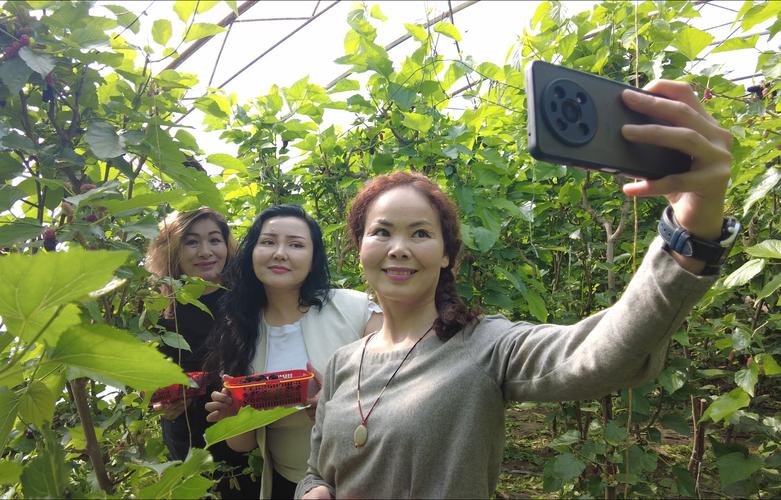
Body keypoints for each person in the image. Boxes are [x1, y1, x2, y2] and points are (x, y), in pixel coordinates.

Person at [295, 81, 737, 499]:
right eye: (381, 232)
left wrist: (689, 233)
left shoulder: (484, 346)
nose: (398, 248)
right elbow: (316, 469)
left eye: (421, 233)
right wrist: (313, 489)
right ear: (360, 247)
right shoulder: (343, 364)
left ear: (447, 255)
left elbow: (601, 354)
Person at [203, 204, 383, 499]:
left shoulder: (357, 310)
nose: (280, 253)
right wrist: (234, 416)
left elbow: (400, 392)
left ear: (313, 259)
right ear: (252, 253)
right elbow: (243, 445)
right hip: (291, 485)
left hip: (369, 478)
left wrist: (338, 407)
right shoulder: (239, 330)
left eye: (296, 245)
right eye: (268, 242)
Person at [144, 207, 260, 498]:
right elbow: (146, 375)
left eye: (214, 240)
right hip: (188, 439)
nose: (205, 251)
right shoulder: (159, 309)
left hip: (242, 432)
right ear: (173, 249)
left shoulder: (247, 300)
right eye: (192, 242)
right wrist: (158, 399)